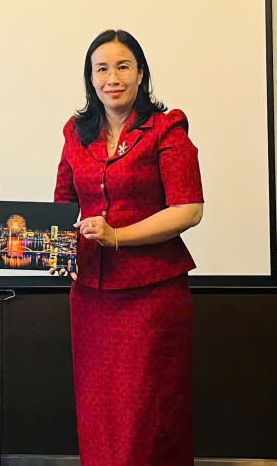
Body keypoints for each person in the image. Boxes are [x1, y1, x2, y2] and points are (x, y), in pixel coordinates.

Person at [53, 29, 204, 466]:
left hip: (152, 293)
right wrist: (12, 253)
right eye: (102, 69)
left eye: (123, 66)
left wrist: (119, 235)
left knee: (149, 412)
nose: (112, 78)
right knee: (100, 412)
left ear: (140, 74)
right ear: (91, 78)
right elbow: (63, 207)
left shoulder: (166, 127)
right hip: (91, 297)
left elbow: (188, 209)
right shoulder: (75, 133)